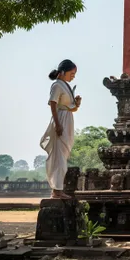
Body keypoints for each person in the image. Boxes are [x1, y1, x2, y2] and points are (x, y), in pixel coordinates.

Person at [40, 60, 82, 199]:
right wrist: (58, 124)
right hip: (61, 120)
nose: (73, 76)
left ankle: (58, 189)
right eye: (72, 73)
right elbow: (53, 104)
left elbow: (72, 108)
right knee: (59, 155)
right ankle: (57, 190)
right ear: (63, 72)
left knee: (63, 154)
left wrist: (77, 103)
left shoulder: (66, 86)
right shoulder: (57, 85)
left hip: (67, 118)